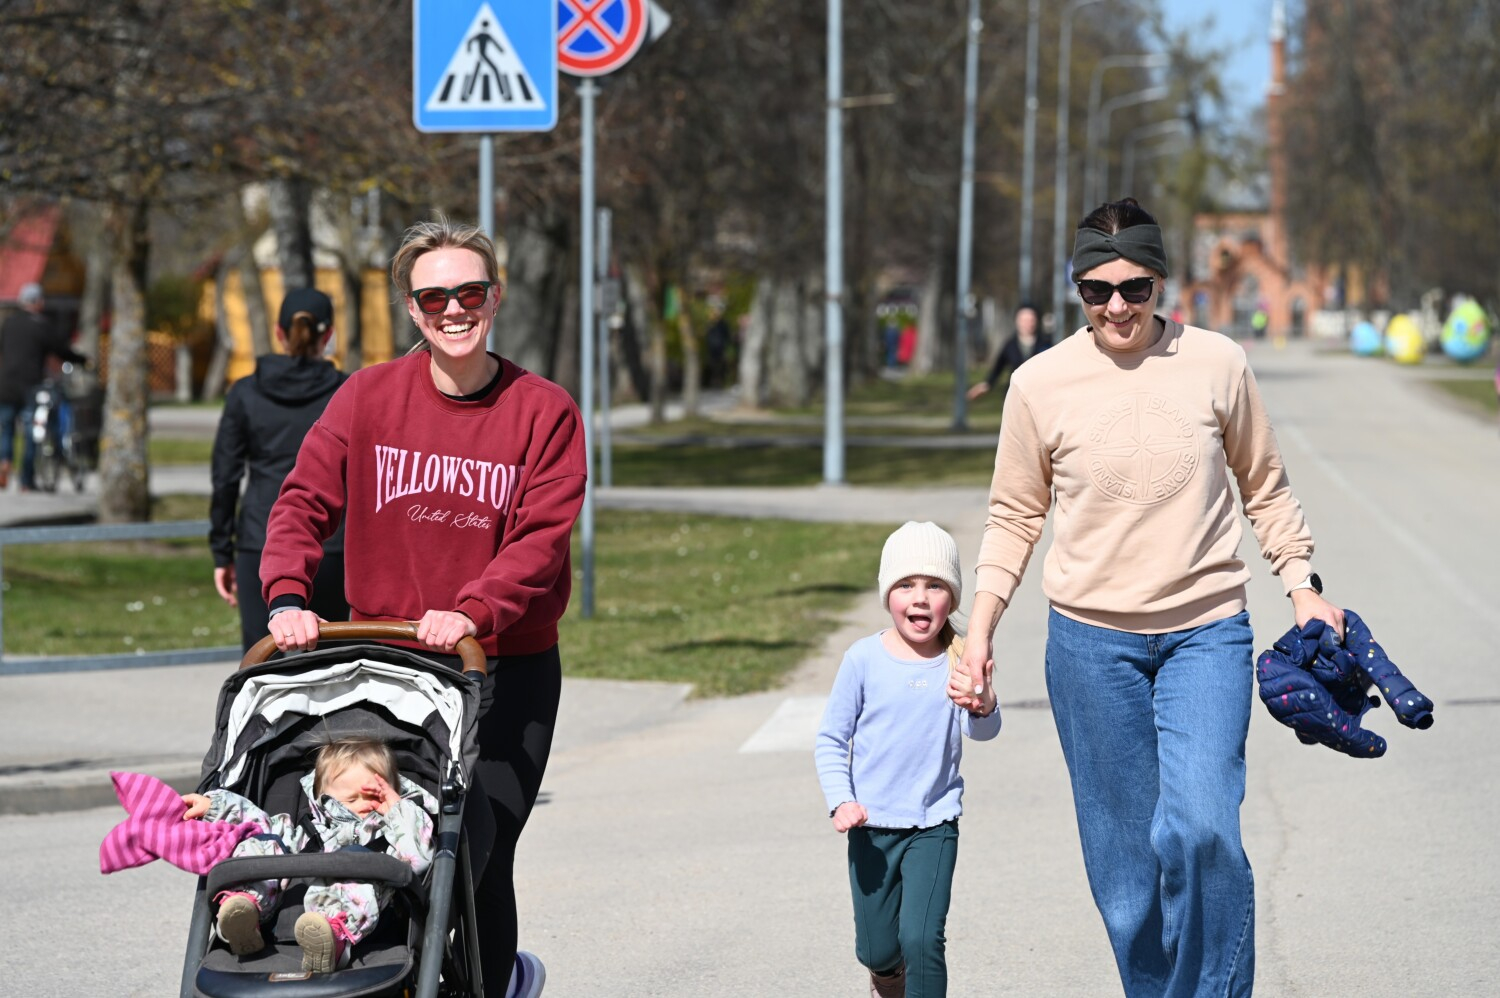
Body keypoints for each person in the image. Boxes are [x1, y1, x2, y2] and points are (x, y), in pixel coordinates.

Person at [954, 198, 1342, 998]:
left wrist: (1303, 589)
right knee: (1127, 879)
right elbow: (1014, 514)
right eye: (1096, 291)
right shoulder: (1038, 382)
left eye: (1134, 286)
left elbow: (1264, 489)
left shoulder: (1217, 363)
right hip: (1091, 649)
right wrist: (980, 631)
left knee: (1201, 830)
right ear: (1077, 292)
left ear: (1161, 279)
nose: (1118, 306)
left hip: (1206, 633)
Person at [259, 217, 585, 998]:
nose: (453, 309)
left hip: (502, 667)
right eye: (434, 295)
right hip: (390, 668)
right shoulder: (368, 396)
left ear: (494, 296)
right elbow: (302, 501)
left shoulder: (542, 411)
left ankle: (498, 981)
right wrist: (288, 595)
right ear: (412, 308)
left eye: (469, 291)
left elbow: (540, 539)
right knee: (385, 844)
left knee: (476, 849)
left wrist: (473, 609)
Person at [816, 521, 1000, 998]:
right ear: (888, 594)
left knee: (922, 939)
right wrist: (842, 801)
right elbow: (832, 739)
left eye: (934, 585)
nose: (919, 597)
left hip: (934, 823)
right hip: (871, 827)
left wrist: (984, 702)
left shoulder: (959, 661)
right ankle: (886, 979)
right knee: (878, 949)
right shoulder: (862, 659)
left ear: (952, 599)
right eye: (906, 585)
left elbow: (981, 731)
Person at [182, 737, 435, 973]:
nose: (362, 805)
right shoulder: (309, 831)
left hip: (360, 932)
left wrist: (397, 809)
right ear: (322, 798)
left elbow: (418, 857)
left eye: (371, 796)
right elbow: (257, 822)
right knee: (262, 841)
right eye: (350, 798)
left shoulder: (390, 835)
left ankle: (331, 938)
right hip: (279, 919)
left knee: (358, 862)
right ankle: (245, 907)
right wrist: (215, 807)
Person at [210, 288, 349, 651]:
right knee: (334, 673)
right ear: (329, 335)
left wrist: (222, 552)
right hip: (333, 547)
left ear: (278, 332)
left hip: (261, 545)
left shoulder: (245, 393)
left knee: (264, 670)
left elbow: (225, 477)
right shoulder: (348, 391)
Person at [0, 282, 86, 490]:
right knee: (32, 432)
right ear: (38, 302)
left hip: (5, 384)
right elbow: (61, 350)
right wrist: (82, 360)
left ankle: (4, 462)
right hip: (30, 385)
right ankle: (26, 480)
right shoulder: (42, 326)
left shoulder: (8, 323)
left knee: (6, 429)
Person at [965, 302, 1052, 402]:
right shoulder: (1010, 345)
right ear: (1017, 321)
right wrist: (986, 385)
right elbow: (998, 368)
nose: (1027, 323)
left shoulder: (1046, 344)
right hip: (1015, 396)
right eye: (1023, 320)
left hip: (1039, 395)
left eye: (1030, 320)